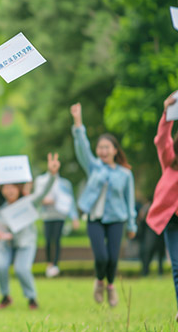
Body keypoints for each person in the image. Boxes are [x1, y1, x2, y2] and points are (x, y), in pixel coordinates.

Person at [70, 103, 136, 307]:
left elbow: (129, 200)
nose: (103, 151)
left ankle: (111, 286)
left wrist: (132, 225)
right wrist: (78, 122)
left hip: (117, 218)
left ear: (115, 150)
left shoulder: (125, 173)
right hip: (95, 218)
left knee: (113, 259)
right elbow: (82, 147)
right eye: (100, 147)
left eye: (107, 147)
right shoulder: (93, 167)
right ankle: (100, 281)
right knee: (101, 257)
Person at [0, 153, 60, 310]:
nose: (9, 191)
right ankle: (5, 296)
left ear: (19, 188)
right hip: (4, 244)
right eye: (6, 187)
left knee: (22, 269)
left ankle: (31, 298)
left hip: (25, 242)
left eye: (13, 187)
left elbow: (42, 193)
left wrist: (52, 175)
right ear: (1, 190)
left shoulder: (29, 202)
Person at [146, 92, 178, 321]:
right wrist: (167, 113)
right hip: (172, 220)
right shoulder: (170, 161)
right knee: (177, 267)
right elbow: (161, 139)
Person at [34, 170, 80, 278]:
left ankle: (55, 264)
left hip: (60, 214)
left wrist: (74, 217)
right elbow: (36, 197)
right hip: (47, 215)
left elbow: (70, 200)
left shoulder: (64, 183)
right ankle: (49, 263)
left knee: (57, 239)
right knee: (48, 240)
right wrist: (43, 201)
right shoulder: (41, 180)